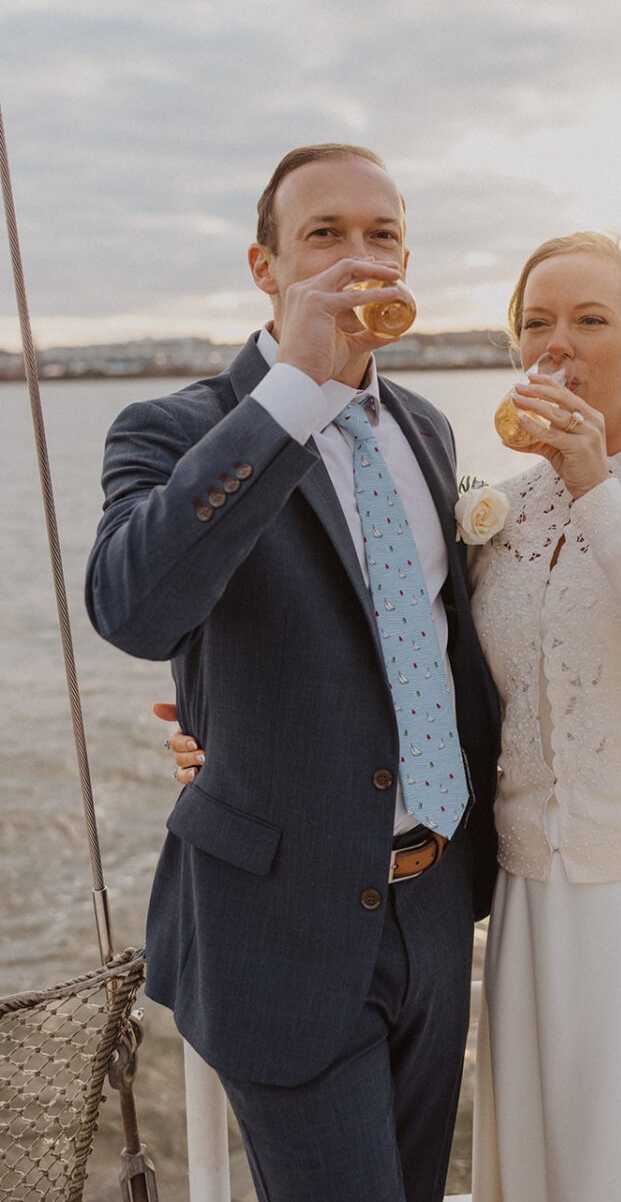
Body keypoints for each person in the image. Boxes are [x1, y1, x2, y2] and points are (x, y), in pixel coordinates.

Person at [167, 228, 621, 1200]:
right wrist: (231, 734)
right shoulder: (495, 507)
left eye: (589, 320)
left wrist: (594, 483)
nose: (555, 344)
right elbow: (417, 680)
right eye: (535, 323)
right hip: (537, 909)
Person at [85, 143, 501, 1202]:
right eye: (323, 234)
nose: (357, 259)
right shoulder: (173, 429)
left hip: (435, 902)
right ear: (264, 266)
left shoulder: (428, 429)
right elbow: (135, 610)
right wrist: (291, 395)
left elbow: (430, 646)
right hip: (279, 929)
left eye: (382, 234)